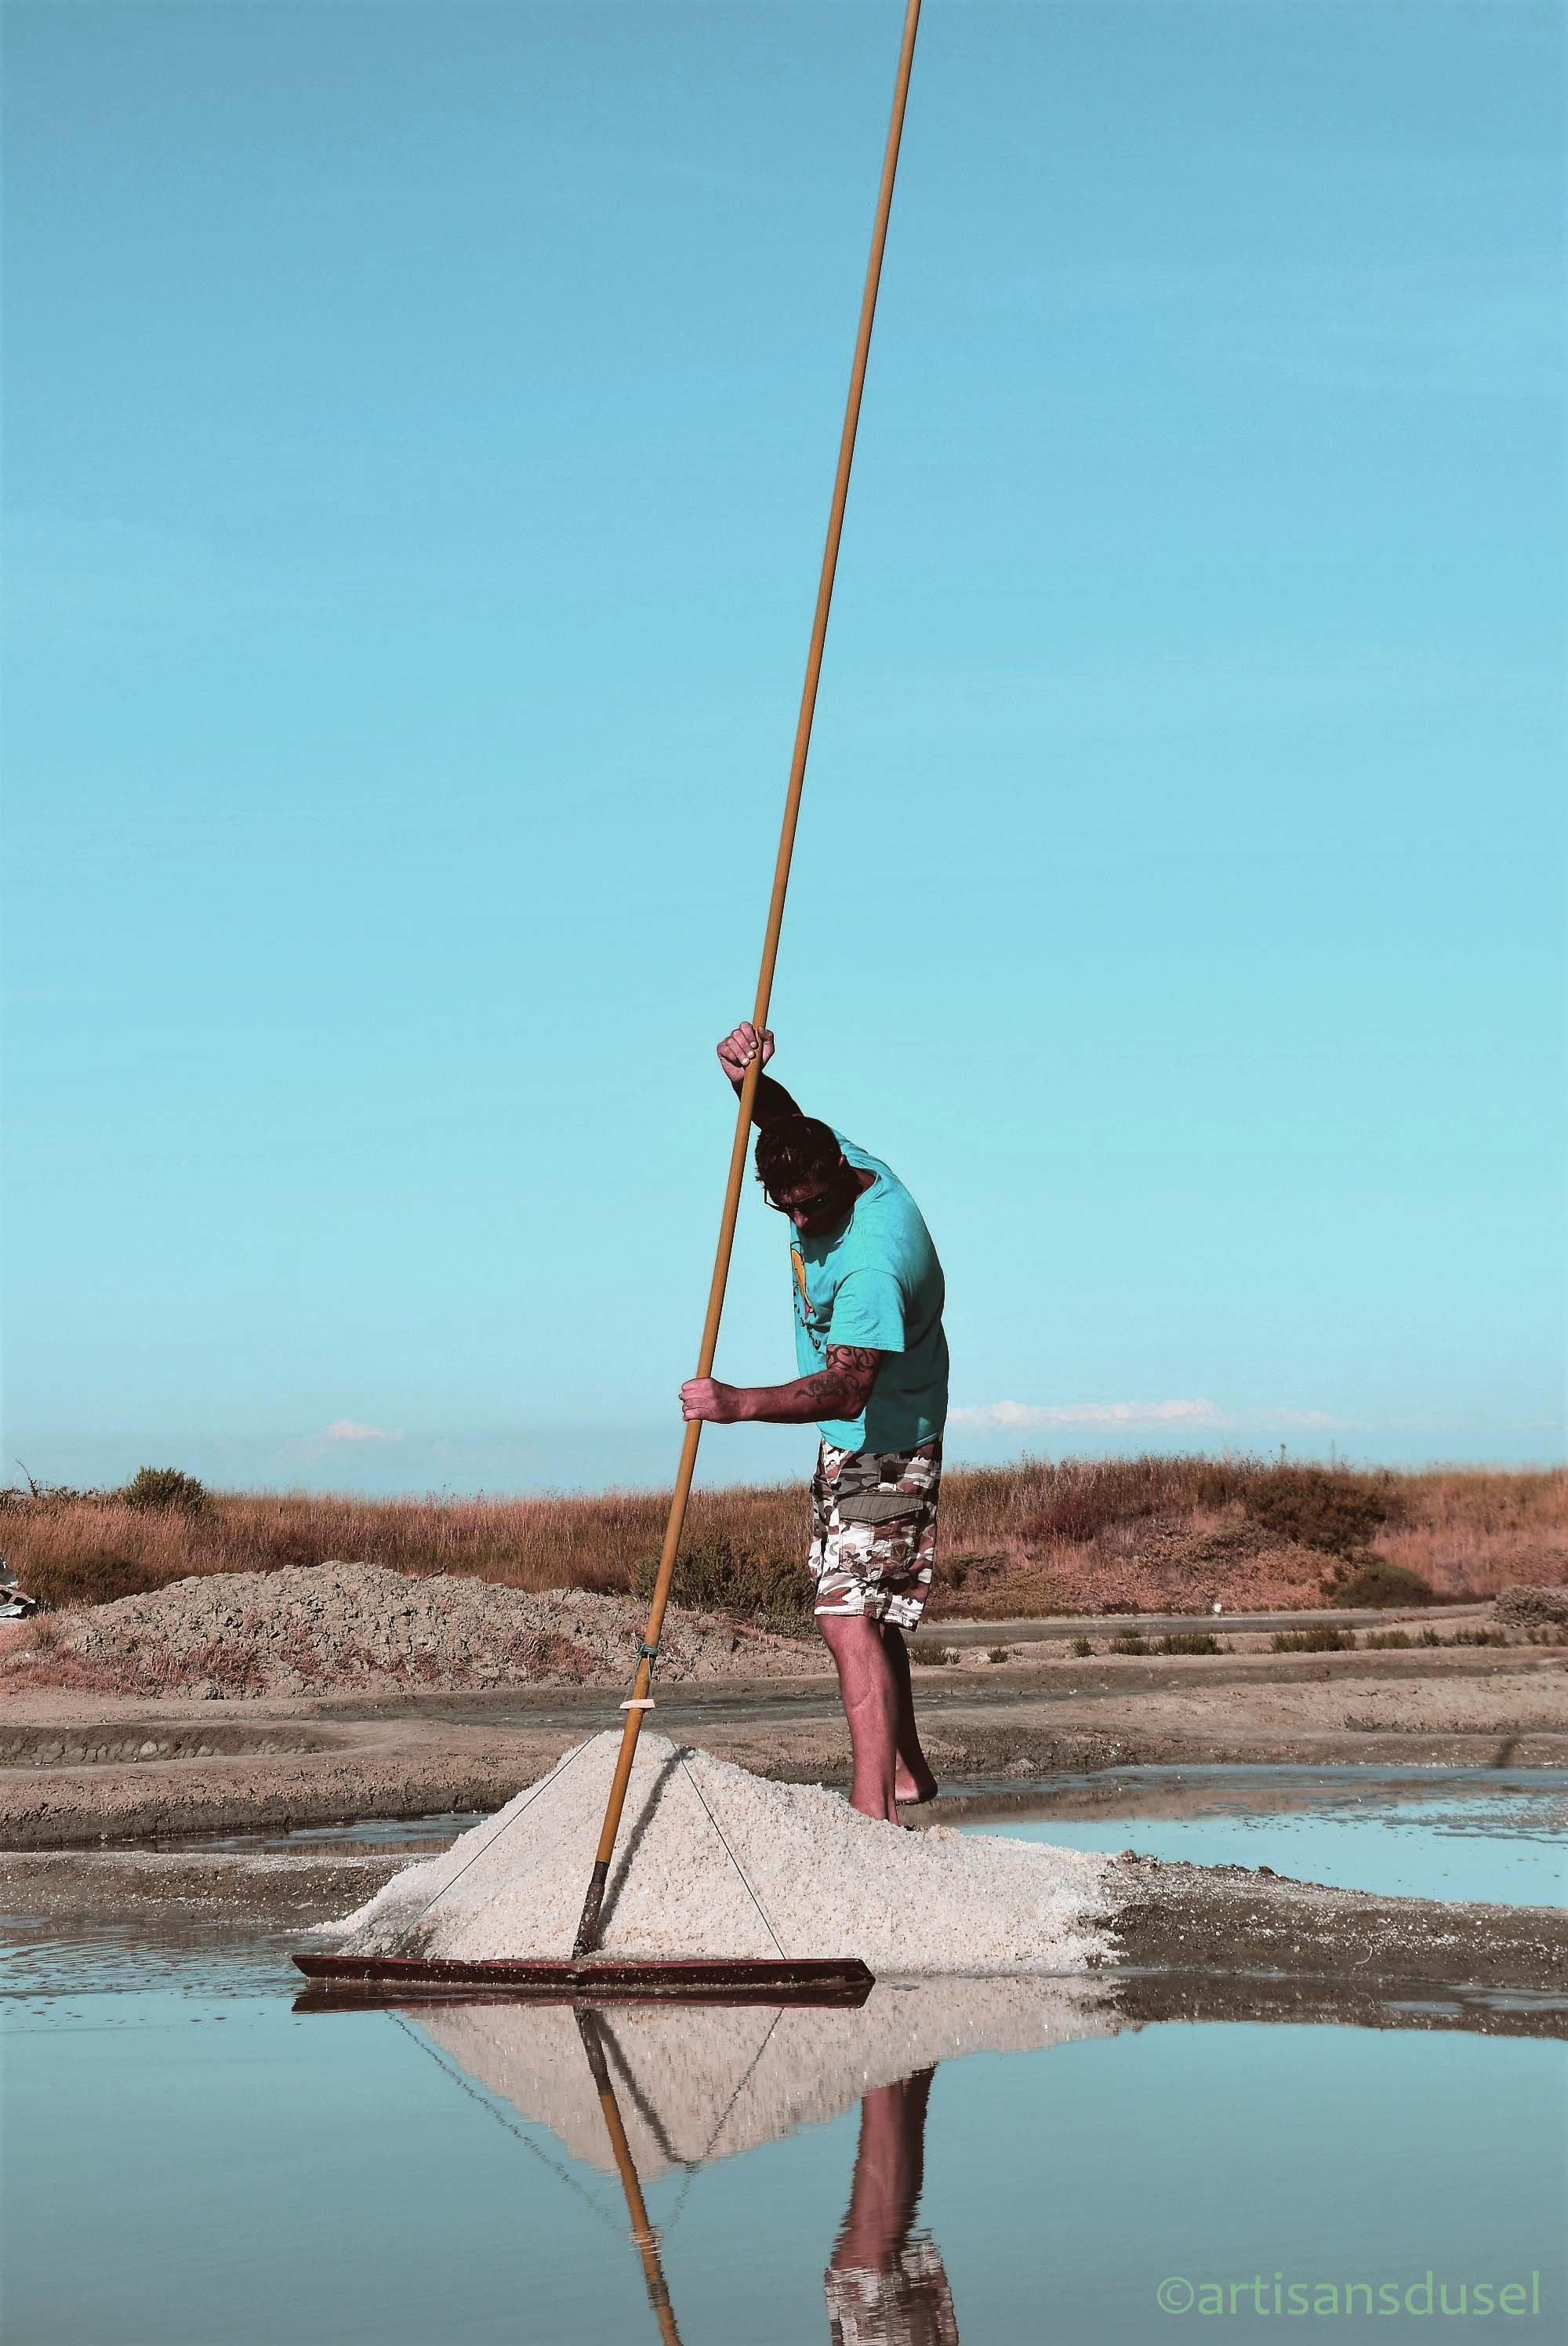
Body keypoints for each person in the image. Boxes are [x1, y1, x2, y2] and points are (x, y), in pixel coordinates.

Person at [681, 1022, 949, 1824]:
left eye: (812, 1207)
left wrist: (735, 1404)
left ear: (842, 1178)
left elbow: (845, 1391)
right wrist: (745, 1082)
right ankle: (906, 1776)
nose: (800, 1224)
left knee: (842, 1618)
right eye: (785, 1208)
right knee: (861, 1611)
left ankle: (871, 1814)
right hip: (850, 1444)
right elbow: (782, 1120)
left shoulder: (871, 1261)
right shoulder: (827, 1156)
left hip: (890, 1438)